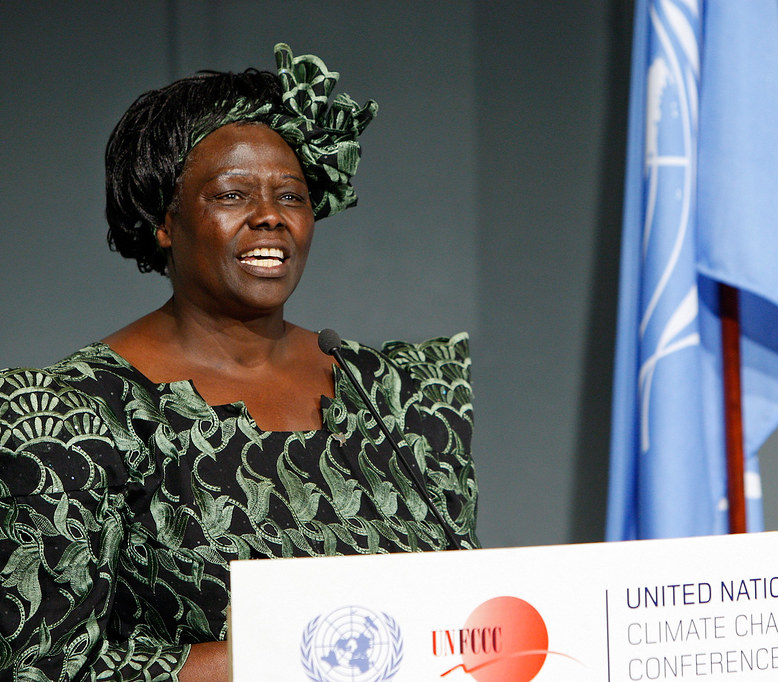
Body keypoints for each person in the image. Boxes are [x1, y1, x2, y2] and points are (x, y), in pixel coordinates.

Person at [0, 43, 479, 681]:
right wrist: (289, 657)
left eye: (292, 196)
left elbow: (469, 608)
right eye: (232, 196)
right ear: (163, 221)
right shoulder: (73, 418)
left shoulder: (397, 394)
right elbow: (47, 670)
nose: (270, 218)